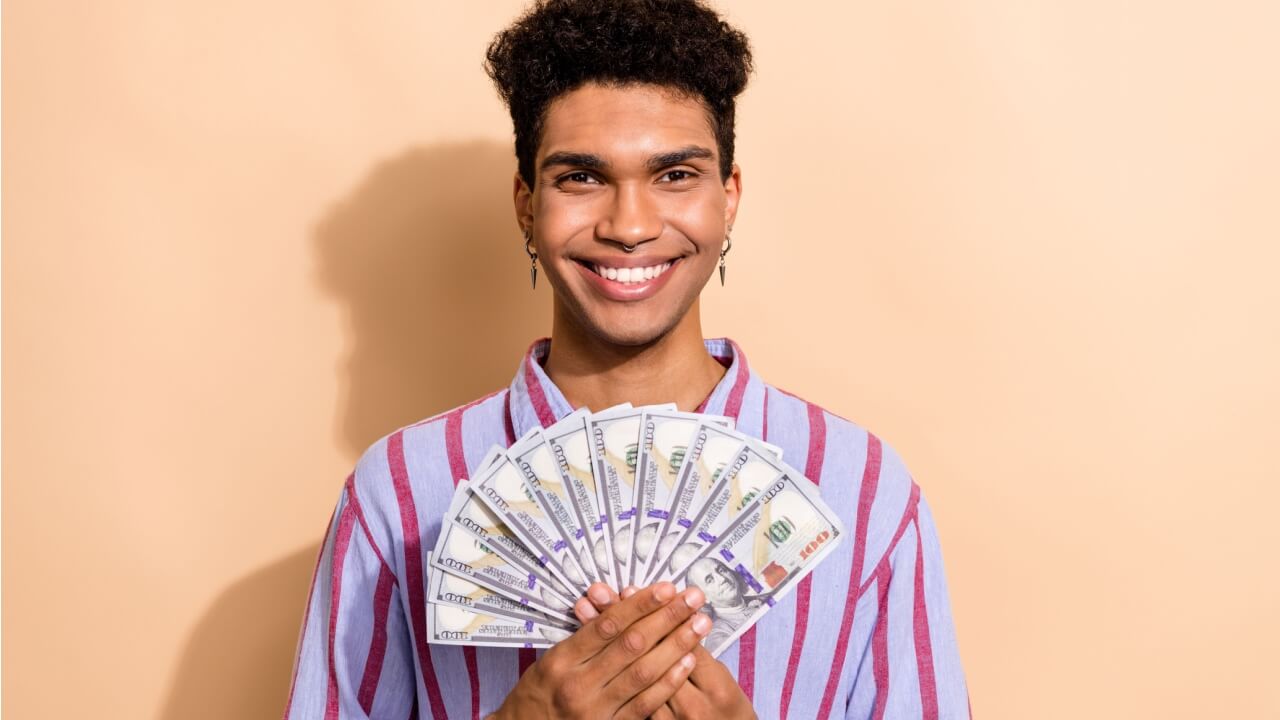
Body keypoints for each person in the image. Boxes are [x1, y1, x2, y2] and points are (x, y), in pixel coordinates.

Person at [283, 0, 970, 718]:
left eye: (675, 175)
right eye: (581, 177)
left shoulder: (863, 493)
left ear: (728, 197)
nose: (630, 226)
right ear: (526, 203)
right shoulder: (397, 496)